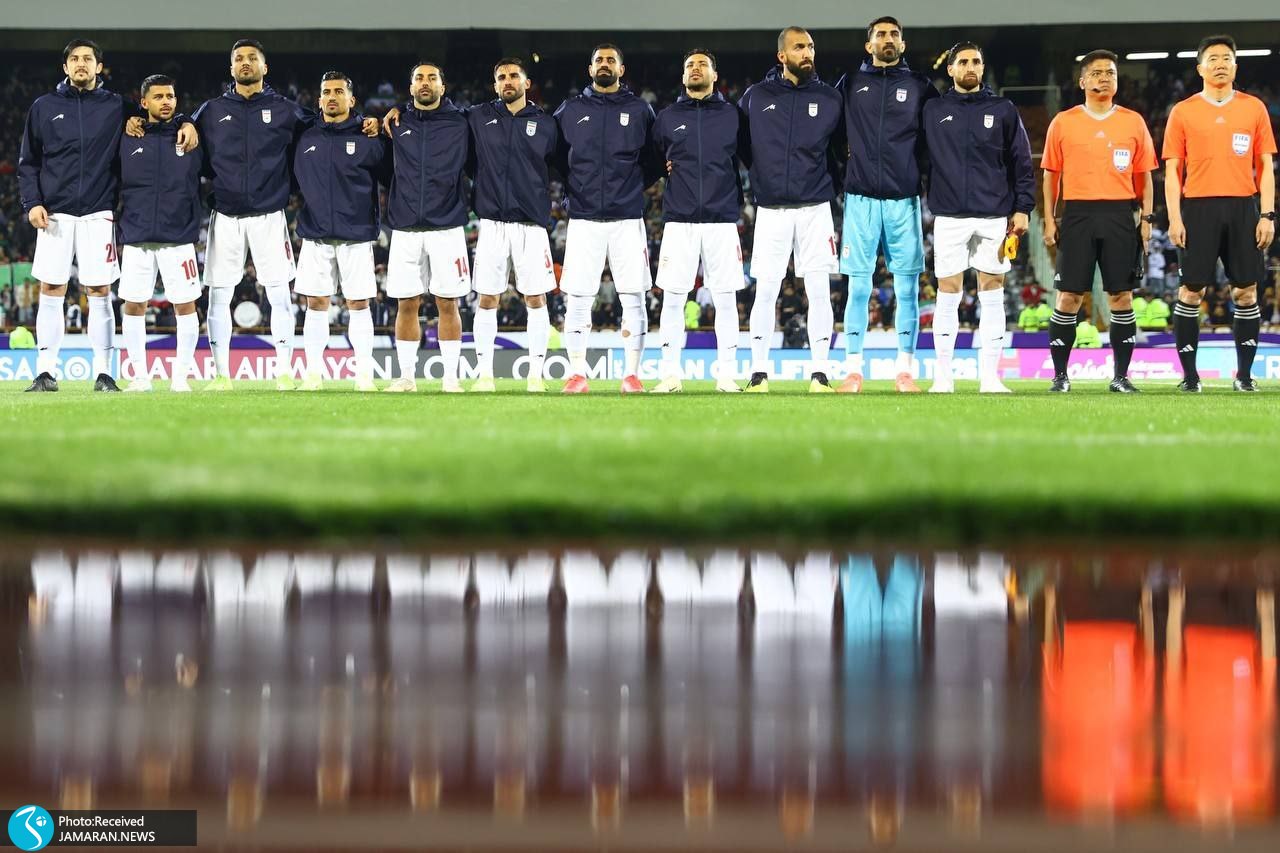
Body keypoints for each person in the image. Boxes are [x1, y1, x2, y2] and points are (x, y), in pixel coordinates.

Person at [193, 39, 378, 391]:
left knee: (279, 294)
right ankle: (221, 375)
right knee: (218, 295)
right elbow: (183, 131)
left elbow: (330, 124)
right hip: (225, 214)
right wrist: (182, 123)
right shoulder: (211, 110)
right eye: (238, 58)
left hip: (269, 215)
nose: (245, 63)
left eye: (252, 58)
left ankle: (283, 372)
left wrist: (366, 122)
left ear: (265, 67)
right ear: (231, 68)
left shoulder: (286, 111)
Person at [19, 39, 195, 393]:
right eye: (74, 59)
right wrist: (32, 202)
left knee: (99, 290)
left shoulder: (116, 105)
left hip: (99, 211)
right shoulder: (43, 107)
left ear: (99, 67)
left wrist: (187, 121)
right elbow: (29, 161)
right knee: (51, 288)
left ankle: (104, 372)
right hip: (54, 213)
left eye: (88, 58)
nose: (81, 63)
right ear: (65, 67)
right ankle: (45, 371)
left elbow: (157, 112)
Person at [1164, 34, 1276, 392]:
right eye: (1212, 58)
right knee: (1190, 293)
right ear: (1200, 68)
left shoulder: (1253, 108)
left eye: (1227, 58)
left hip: (1243, 207)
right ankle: (1190, 377)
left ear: (1236, 66)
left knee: (1246, 292)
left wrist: (1267, 215)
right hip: (1197, 208)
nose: (1220, 64)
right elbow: (1172, 171)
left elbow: (1265, 166)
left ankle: (1244, 376)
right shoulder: (1183, 111)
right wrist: (1175, 217)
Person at [1041, 49, 1157, 393]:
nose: (1104, 78)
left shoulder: (1133, 122)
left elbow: (1145, 175)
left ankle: (1120, 377)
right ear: (1082, 81)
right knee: (1068, 298)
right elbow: (1050, 175)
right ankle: (1060, 377)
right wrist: (1049, 219)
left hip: (1120, 215)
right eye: (1097, 73)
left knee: (1121, 298)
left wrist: (1147, 218)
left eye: (1110, 73)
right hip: (1077, 215)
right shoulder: (1063, 122)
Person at [836, 16, 940, 393]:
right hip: (860, 197)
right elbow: (830, 132)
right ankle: (852, 371)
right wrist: (846, 167)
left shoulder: (920, 86)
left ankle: (904, 372)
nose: (888, 39)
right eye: (881, 34)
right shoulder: (850, 83)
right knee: (858, 288)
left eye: (894, 34)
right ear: (869, 45)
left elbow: (934, 139)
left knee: (908, 288)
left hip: (903, 199)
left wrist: (917, 174)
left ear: (903, 43)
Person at [923, 42, 1033, 394]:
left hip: (993, 215)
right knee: (947, 292)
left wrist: (1023, 208)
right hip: (949, 215)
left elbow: (1021, 161)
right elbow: (917, 157)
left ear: (983, 68)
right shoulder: (933, 109)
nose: (970, 67)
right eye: (963, 62)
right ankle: (943, 377)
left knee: (992, 291)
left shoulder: (1003, 109)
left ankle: (990, 377)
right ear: (951, 69)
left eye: (976, 62)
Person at [739, 27, 844, 394]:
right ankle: (758, 373)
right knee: (765, 291)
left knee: (819, 290)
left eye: (811, 46)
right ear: (782, 55)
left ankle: (821, 373)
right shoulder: (756, 97)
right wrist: (765, 178)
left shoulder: (830, 98)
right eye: (799, 47)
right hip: (772, 209)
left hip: (815, 207)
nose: (807, 52)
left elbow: (840, 149)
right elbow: (742, 145)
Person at [554, 45, 660, 394]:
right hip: (584, 217)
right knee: (578, 297)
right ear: (590, 69)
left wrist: (630, 188)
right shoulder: (571, 109)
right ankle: (576, 373)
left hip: (626, 217)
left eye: (610, 60)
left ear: (621, 69)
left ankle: (632, 374)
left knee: (634, 296)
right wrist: (576, 191)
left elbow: (654, 159)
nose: (604, 64)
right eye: (599, 60)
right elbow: (556, 157)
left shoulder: (639, 109)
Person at [650, 49, 746, 393]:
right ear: (683, 75)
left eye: (703, 64)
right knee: (673, 298)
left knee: (725, 298)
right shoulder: (667, 117)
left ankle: (727, 375)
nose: (695, 69)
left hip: (721, 220)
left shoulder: (734, 115)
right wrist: (663, 168)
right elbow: (651, 161)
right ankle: (670, 375)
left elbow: (751, 156)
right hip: (680, 219)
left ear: (714, 75)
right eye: (690, 65)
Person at [291, 72, 390, 391]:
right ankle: (313, 375)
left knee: (359, 305)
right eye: (326, 92)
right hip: (315, 234)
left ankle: (364, 376)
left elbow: (392, 176)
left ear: (352, 99)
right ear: (319, 99)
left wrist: (379, 126)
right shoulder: (304, 136)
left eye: (338, 91)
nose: (332, 97)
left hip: (357, 236)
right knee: (316, 304)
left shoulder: (369, 137)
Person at [466, 58, 560, 393]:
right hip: (492, 223)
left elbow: (562, 166)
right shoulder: (478, 117)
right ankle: (485, 376)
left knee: (536, 299)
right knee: (487, 299)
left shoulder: (546, 123)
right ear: (495, 85)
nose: (508, 81)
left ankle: (536, 375)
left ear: (526, 82)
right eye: (502, 77)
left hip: (531, 225)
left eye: (514, 76)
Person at [380, 62, 472, 393]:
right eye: (419, 78)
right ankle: (407, 377)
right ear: (411, 87)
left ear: (442, 87)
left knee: (448, 303)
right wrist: (389, 113)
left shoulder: (462, 121)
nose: (425, 83)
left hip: (447, 226)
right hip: (405, 228)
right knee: (406, 303)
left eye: (432, 78)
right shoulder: (397, 123)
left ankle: (451, 378)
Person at [118, 75, 203, 393]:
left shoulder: (190, 137)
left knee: (186, 306)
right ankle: (140, 377)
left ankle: (180, 378)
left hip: (178, 237)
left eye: (170, 96)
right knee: (133, 306)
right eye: (158, 97)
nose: (166, 102)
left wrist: (188, 121)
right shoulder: (127, 137)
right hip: (137, 235)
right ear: (143, 102)